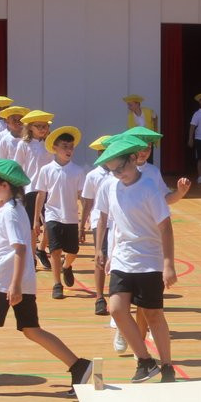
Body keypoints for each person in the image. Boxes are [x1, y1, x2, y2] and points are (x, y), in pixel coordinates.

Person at [0, 158, 94, 397]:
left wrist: (14, 285)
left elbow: (19, 249)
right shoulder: (16, 208)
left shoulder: (10, 212)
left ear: (5, 185)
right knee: (31, 329)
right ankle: (78, 365)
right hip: (21, 281)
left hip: (6, 282)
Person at [93, 136, 179, 384]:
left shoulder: (150, 188)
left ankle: (167, 365)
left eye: (121, 168)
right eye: (112, 171)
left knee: (153, 315)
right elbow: (106, 219)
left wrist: (168, 263)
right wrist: (102, 250)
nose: (118, 174)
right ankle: (144, 360)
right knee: (117, 309)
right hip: (122, 259)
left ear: (133, 159)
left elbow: (165, 227)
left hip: (149, 261)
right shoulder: (109, 186)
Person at [34, 126, 86, 300]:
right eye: (64, 146)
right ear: (55, 148)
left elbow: (82, 197)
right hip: (52, 215)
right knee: (55, 251)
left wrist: (85, 219)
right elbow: (41, 195)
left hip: (71, 216)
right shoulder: (46, 170)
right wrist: (36, 221)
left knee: (72, 251)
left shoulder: (78, 171)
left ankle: (67, 266)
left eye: (71, 146)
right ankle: (57, 284)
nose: (69, 150)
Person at [14, 109, 55, 269]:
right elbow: (18, 167)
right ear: (30, 127)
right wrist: (18, 190)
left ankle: (41, 249)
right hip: (31, 189)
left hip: (49, 189)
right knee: (33, 225)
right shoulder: (24, 144)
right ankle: (31, 257)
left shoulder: (51, 144)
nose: (43, 129)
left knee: (51, 224)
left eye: (45, 126)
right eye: (39, 126)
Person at [81, 135, 114, 317]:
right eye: (103, 151)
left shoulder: (119, 174)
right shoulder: (93, 175)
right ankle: (100, 297)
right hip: (98, 221)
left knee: (115, 256)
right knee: (100, 257)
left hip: (116, 221)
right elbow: (87, 202)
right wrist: (81, 225)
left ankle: (118, 295)